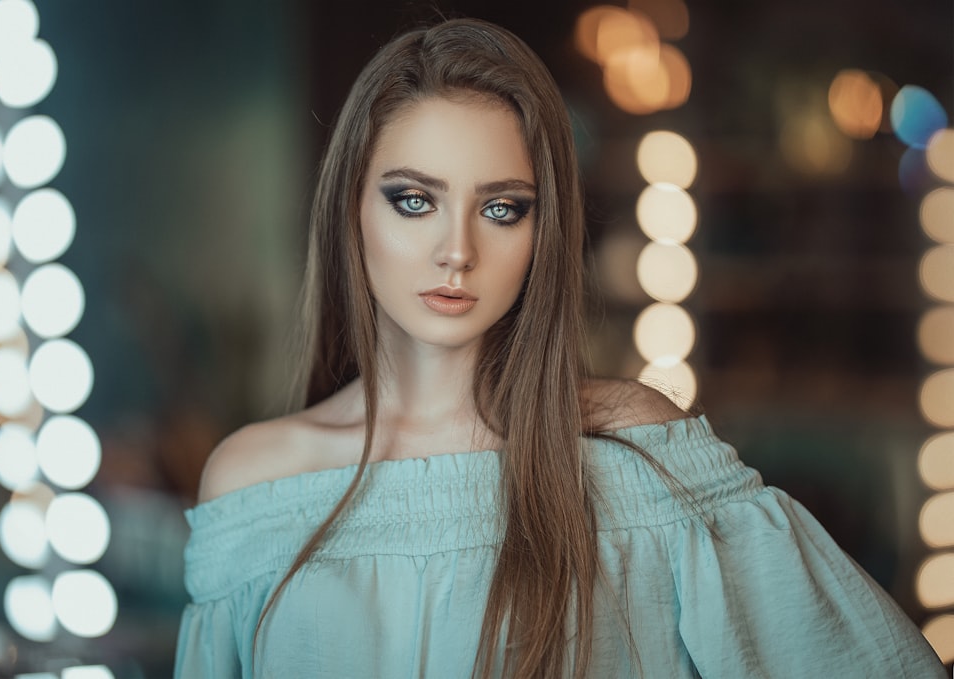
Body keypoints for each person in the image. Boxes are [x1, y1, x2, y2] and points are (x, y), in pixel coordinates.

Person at [174, 17, 946, 679]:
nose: (457, 250)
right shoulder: (255, 485)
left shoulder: (635, 454)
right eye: (414, 200)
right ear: (350, 209)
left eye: (503, 208)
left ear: (545, 233)